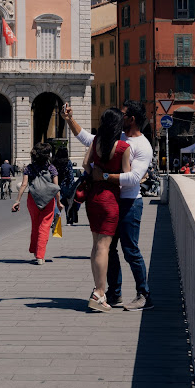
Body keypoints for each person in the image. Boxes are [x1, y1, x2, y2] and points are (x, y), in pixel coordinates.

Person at [61, 100, 154, 311]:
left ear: (132, 119)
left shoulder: (143, 146)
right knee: (110, 249)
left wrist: (102, 175)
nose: (119, 118)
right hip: (112, 201)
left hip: (130, 202)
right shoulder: (118, 136)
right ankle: (114, 293)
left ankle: (144, 295)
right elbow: (88, 139)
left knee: (131, 250)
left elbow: (134, 178)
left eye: (123, 115)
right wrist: (70, 120)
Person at [83, 108, 131, 312]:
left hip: (92, 197)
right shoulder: (122, 147)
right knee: (104, 247)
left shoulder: (96, 143)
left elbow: (85, 164)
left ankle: (98, 289)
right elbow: (126, 176)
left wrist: (96, 172)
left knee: (96, 245)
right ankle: (100, 292)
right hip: (110, 199)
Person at [11, 142, 63, 265]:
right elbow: (56, 187)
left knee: (35, 225)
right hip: (48, 200)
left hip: (32, 200)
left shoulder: (29, 168)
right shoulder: (52, 168)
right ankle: (40, 256)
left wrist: (17, 201)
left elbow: (24, 185)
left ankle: (35, 250)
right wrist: (59, 202)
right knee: (44, 226)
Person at [52, 147, 78, 225]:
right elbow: (70, 175)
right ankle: (69, 220)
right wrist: (73, 186)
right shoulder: (68, 162)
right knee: (68, 203)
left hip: (56, 185)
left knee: (57, 202)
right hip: (66, 185)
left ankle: (56, 221)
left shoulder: (54, 162)